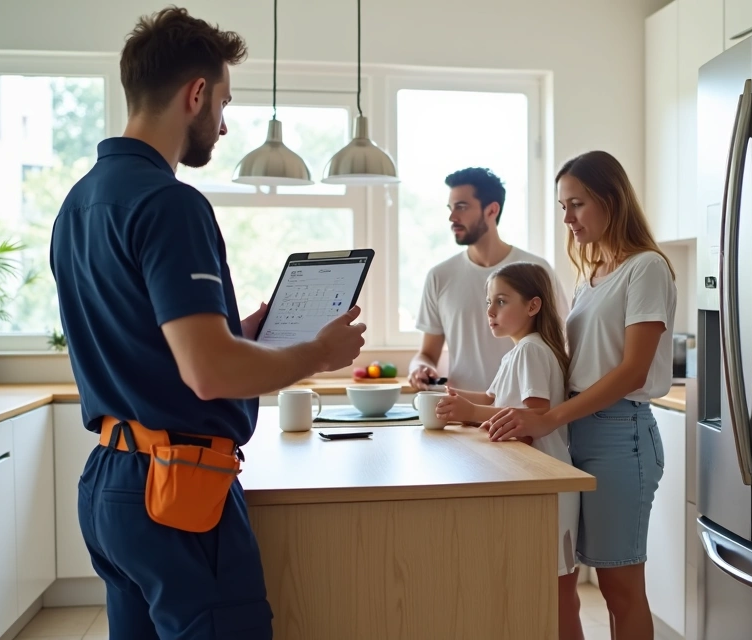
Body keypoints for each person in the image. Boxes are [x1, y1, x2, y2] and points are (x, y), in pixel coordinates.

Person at [49, 8, 366, 638]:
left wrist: (241, 331)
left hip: (110, 484)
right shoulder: (170, 204)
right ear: (195, 94)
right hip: (177, 492)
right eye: (223, 102)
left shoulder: (78, 204)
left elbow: (151, 348)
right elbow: (208, 372)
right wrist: (318, 352)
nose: (222, 125)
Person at [484, 151, 677, 640]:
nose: (567, 218)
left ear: (611, 200)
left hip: (620, 437)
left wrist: (548, 419)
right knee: (568, 578)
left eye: (577, 204)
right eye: (562, 206)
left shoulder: (646, 268)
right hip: (579, 436)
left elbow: (633, 370)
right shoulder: (592, 275)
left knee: (620, 588)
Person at [431, 262, 583, 640]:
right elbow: (492, 399)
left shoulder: (531, 351)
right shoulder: (518, 352)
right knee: (553, 592)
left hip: (549, 484)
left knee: (560, 595)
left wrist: (470, 413)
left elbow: (534, 415)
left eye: (501, 301)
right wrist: (451, 397)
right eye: (488, 302)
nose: (490, 312)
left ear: (533, 306)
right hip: (535, 483)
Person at [408, 167, 567, 395]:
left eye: (461, 207)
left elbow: (561, 343)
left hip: (521, 416)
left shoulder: (536, 271)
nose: (452, 217)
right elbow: (427, 354)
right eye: (450, 208)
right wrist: (419, 367)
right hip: (461, 413)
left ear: (492, 210)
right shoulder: (440, 276)